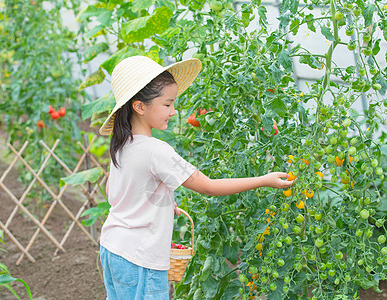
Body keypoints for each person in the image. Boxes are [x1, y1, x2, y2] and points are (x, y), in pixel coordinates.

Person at [98, 55, 294, 300]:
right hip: (140, 256)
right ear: (140, 106)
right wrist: (264, 179)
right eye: (167, 104)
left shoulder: (122, 145)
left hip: (112, 247)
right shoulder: (155, 150)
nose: (173, 111)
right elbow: (208, 187)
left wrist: (162, 204)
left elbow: (116, 194)